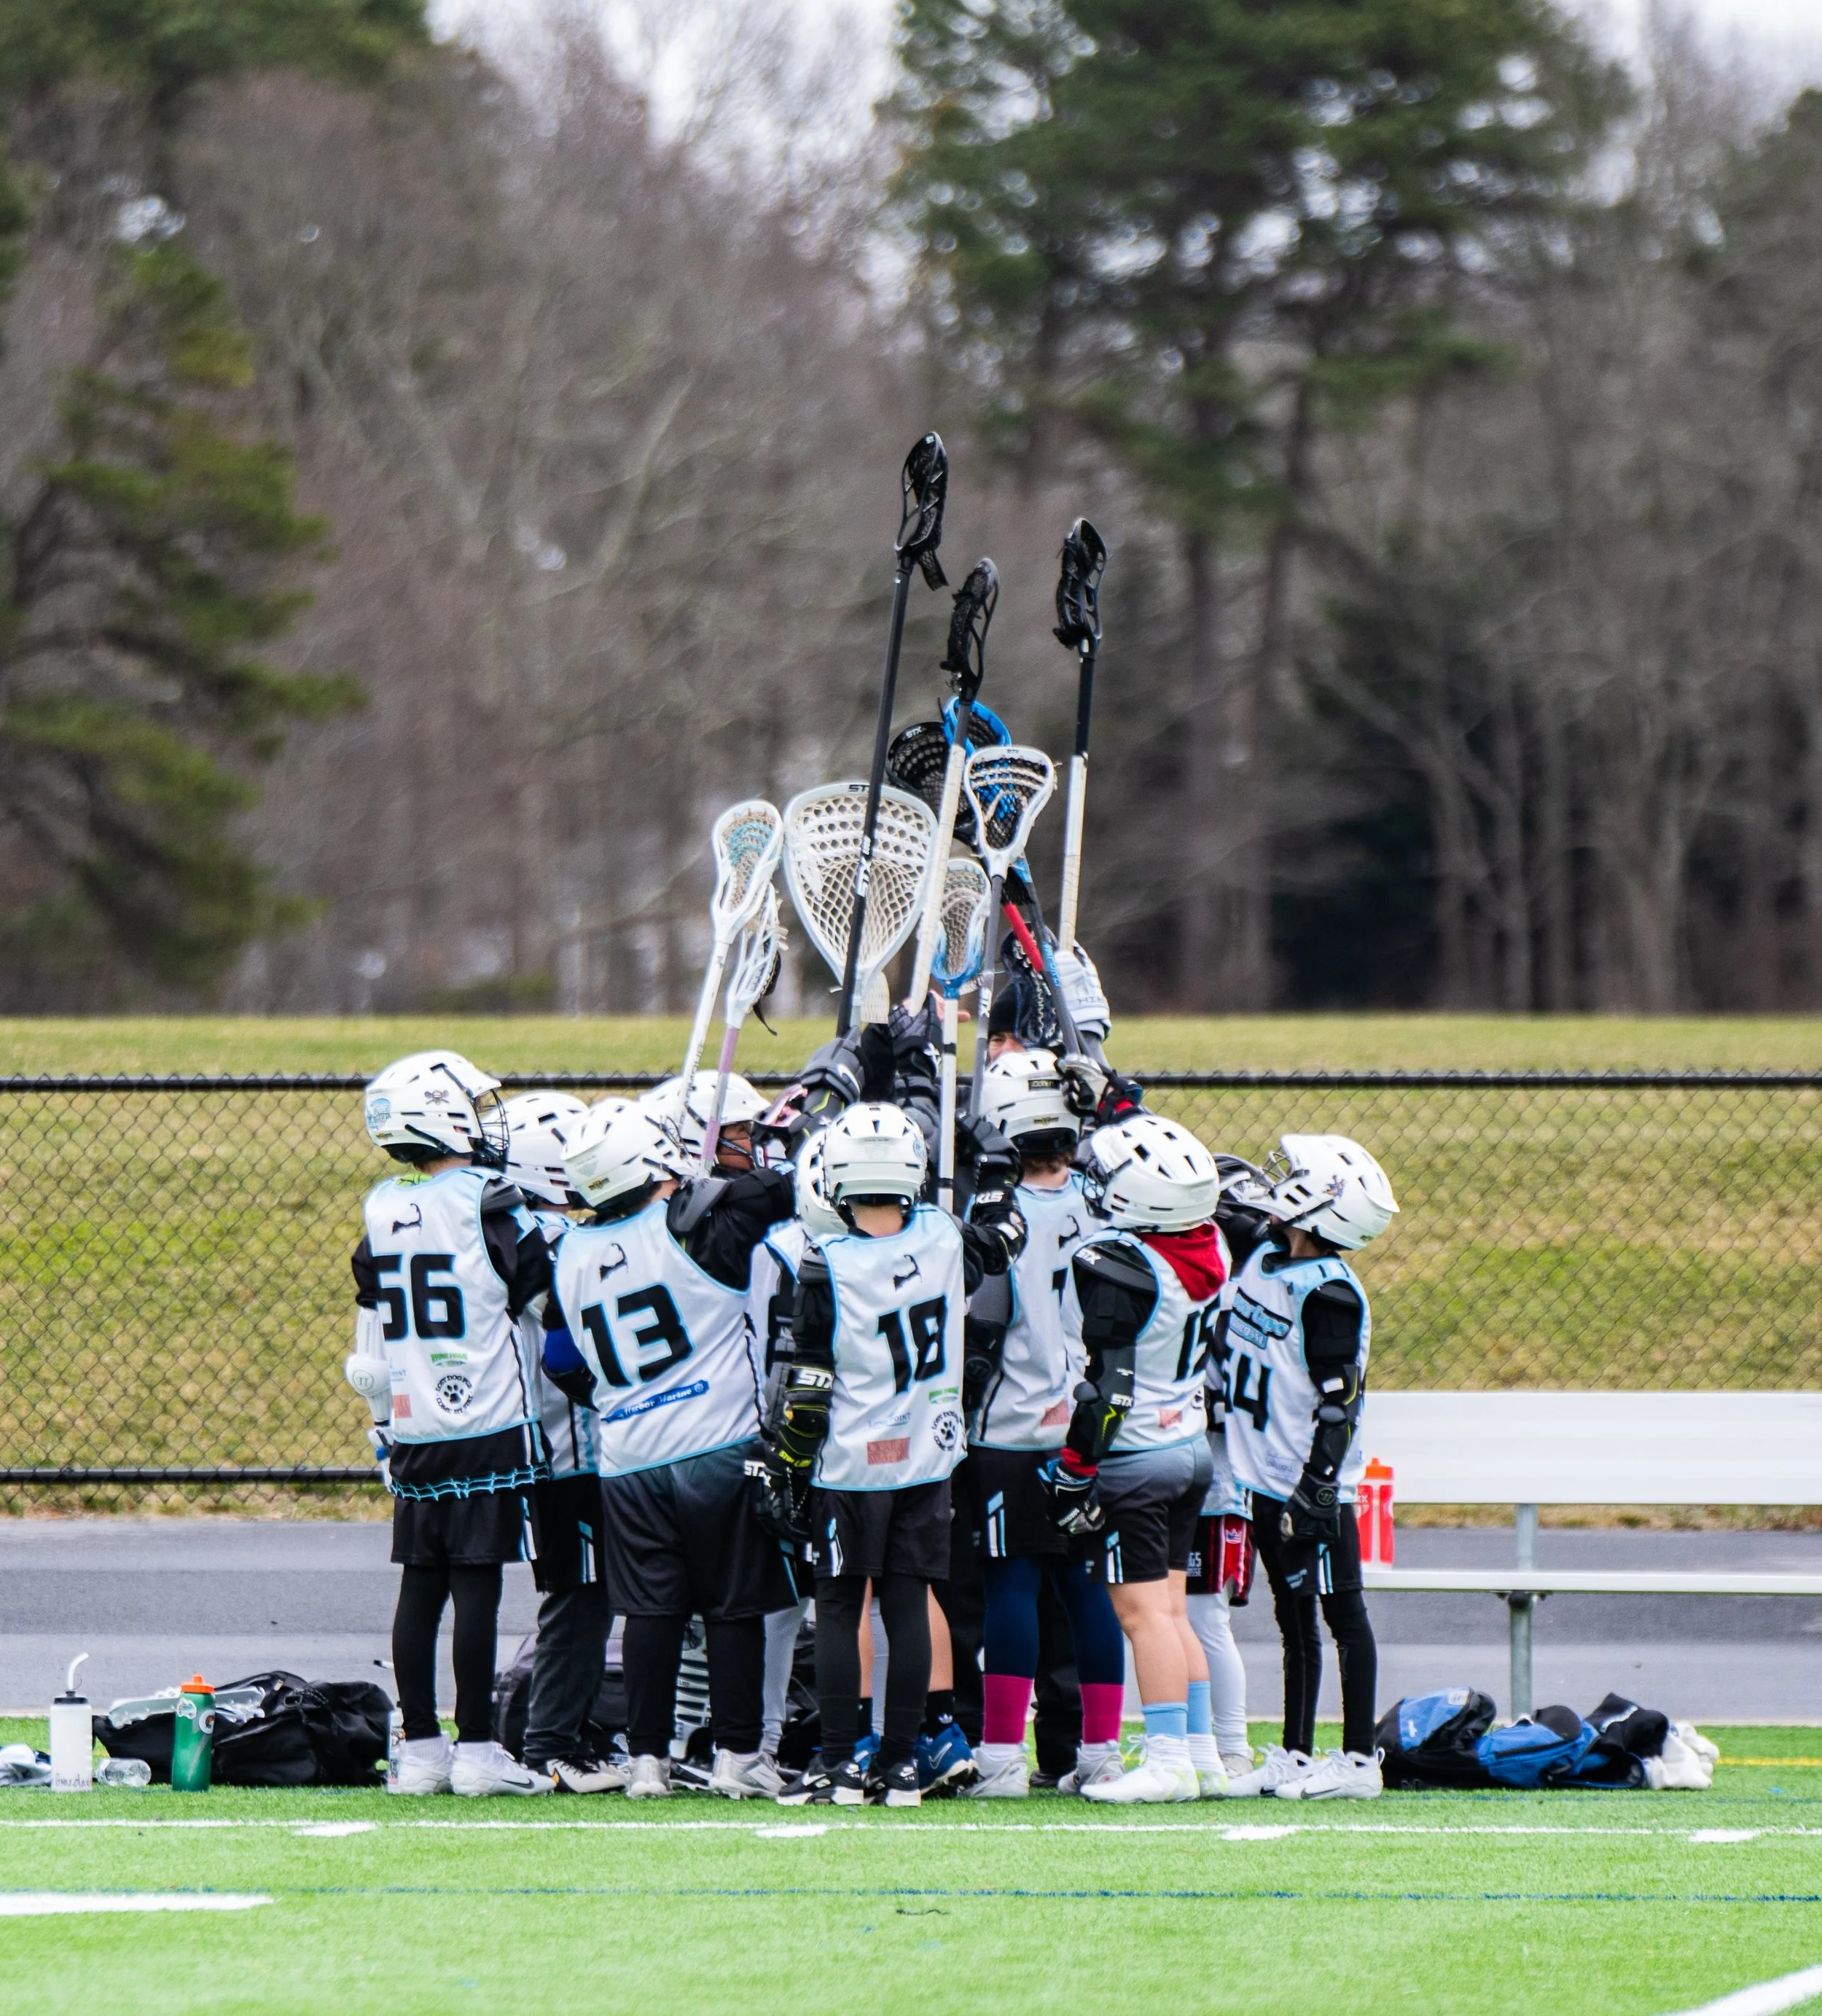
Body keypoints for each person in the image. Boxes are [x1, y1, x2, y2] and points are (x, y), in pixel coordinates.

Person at [752, 1101, 1026, 1807]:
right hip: (927, 1456)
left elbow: (807, 1389)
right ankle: (901, 1763)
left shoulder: (827, 1264)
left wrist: (786, 1462)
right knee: (909, 1602)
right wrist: (991, 1156)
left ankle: (841, 1763)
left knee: (842, 1608)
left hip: (850, 1462)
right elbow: (1003, 1235)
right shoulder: (942, 1234)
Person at [544, 1097, 800, 1800]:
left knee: (651, 1614)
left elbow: (561, 1363)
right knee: (733, 1608)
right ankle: (738, 1756)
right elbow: (780, 1187)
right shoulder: (704, 1230)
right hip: (716, 1444)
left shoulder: (568, 1252)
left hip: (628, 1461)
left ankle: (648, 1761)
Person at [345, 1050, 557, 1797]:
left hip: (412, 1426)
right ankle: (478, 1750)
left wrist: (382, 1423)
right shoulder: (489, 1199)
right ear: (441, 1114)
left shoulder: (380, 1206)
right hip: (489, 1420)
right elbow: (544, 1297)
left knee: (419, 1588)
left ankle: (423, 1748)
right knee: (477, 1588)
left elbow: (368, 1337)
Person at [962, 1050, 1127, 1799]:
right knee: (1088, 1588)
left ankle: (999, 1756)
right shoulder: (1111, 1204)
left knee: (1011, 1590)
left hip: (1008, 1428)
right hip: (1090, 1431)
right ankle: (1097, 1752)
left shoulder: (989, 1217)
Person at [1052, 1114, 1229, 1803]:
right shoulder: (1207, 1241)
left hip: (1137, 1456)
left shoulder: (1118, 1264)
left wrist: (1076, 1464)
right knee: (1174, 1611)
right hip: (1189, 1446)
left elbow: (1108, 1390)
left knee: (1142, 1615)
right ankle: (1202, 1754)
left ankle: (1166, 1760)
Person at [1219, 1135, 1399, 1802]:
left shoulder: (1329, 1294)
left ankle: (1357, 1760)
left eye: (1293, 1177)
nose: (1278, 1181)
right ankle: (1296, 1754)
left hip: (1307, 1480)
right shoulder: (1268, 1254)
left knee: (1341, 1612)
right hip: (1264, 1473)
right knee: (1292, 1618)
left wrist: (1319, 1484)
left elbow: (1339, 1403)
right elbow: (1222, 1209)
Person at [500, 1090, 621, 1795]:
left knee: (588, 1593)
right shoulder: (546, 1241)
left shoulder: (525, 1231)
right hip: (566, 1447)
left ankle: (565, 1734)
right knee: (581, 1594)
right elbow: (570, 1347)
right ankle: (551, 1744)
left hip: (554, 1444)